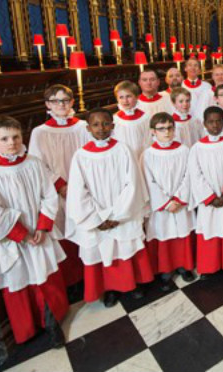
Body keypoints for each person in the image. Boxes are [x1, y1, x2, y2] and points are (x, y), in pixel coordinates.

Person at [0, 116, 68, 347]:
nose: (12, 143)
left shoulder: (33, 163)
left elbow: (48, 194)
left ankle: (53, 321)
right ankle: (27, 329)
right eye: (4, 138)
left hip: (39, 230)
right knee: (19, 280)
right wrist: (22, 234)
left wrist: (43, 226)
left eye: (15, 137)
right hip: (11, 238)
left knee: (45, 275)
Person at [67, 108, 153, 307]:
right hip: (96, 216)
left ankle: (132, 284)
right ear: (88, 128)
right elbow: (79, 192)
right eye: (96, 125)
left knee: (126, 247)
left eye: (105, 123)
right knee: (103, 250)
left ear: (113, 126)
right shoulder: (81, 156)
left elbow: (132, 184)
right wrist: (97, 218)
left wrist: (118, 215)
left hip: (122, 213)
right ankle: (110, 288)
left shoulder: (123, 149)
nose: (101, 128)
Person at [28, 85, 88, 288]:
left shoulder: (83, 127)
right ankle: (73, 280)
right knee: (63, 229)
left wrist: (82, 185)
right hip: (58, 190)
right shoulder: (40, 132)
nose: (61, 105)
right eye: (55, 101)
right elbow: (37, 163)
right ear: (48, 105)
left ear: (72, 102)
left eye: (65, 100)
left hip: (84, 187)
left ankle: (90, 273)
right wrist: (60, 185)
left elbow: (91, 157)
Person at [186, 106, 223, 277]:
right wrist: (210, 197)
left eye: (218, 121)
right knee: (209, 231)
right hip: (209, 200)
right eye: (211, 122)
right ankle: (208, 266)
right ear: (204, 124)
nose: (215, 125)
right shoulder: (197, 148)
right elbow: (195, 174)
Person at [142, 113, 197, 291]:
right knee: (164, 234)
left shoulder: (184, 150)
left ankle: (184, 266)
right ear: (153, 131)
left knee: (182, 233)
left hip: (180, 202)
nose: (166, 132)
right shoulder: (148, 155)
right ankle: (166, 269)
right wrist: (166, 202)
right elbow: (148, 181)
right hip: (162, 205)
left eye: (169, 128)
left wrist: (179, 199)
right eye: (161, 129)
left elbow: (189, 175)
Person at [113, 81, 151, 160]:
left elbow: (149, 139)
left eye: (128, 96)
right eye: (121, 97)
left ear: (136, 97)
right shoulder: (115, 119)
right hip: (123, 157)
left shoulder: (145, 118)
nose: (125, 100)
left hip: (142, 156)